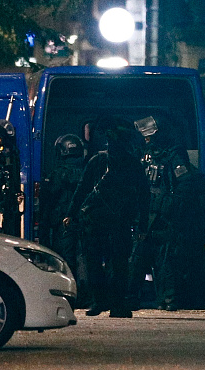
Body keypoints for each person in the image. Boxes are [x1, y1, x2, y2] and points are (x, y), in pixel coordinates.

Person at [63, 116, 149, 318]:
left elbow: (81, 190)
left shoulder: (99, 160)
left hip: (99, 221)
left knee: (100, 263)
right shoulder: (131, 164)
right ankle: (113, 304)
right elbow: (143, 197)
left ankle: (101, 302)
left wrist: (71, 214)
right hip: (115, 222)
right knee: (116, 264)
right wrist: (142, 226)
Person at [131, 115, 205, 311]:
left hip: (163, 217)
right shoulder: (142, 154)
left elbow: (186, 184)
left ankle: (167, 300)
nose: (146, 140)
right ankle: (131, 298)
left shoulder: (173, 155)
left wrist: (168, 206)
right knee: (137, 257)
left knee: (164, 259)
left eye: (149, 136)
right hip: (144, 213)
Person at [39, 134, 88, 306]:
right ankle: (86, 295)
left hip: (63, 222)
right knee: (85, 257)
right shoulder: (87, 172)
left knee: (65, 259)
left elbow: (49, 199)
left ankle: (69, 294)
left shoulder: (58, 174)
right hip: (84, 221)